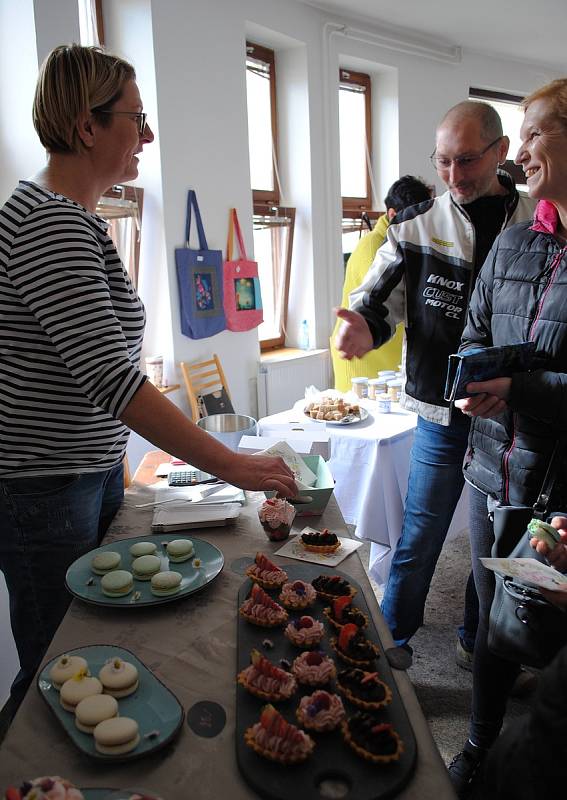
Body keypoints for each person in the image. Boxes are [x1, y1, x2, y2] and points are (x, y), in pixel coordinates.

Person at [0, 45, 297, 714]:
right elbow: (111, 377)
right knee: (60, 670)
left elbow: (97, 369)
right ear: (86, 126)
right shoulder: (50, 225)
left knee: (89, 659)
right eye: (136, 118)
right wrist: (233, 466)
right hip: (44, 484)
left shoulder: (70, 218)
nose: (148, 134)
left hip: (75, 472)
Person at [335, 101, 534, 667]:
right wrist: (363, 329)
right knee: (418, 538)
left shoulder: (536, 222)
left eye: (467, 160)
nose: (455, 175)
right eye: (443, 162)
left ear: (500, 152)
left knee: (492, 545)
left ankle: (478, 642)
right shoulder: (416, 224)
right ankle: (389, 644)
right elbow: (377, 303)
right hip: (440, 416)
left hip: (511, 416)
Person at [448, 78, 567, 798]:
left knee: (548, 629)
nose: (519, 151)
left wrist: (519, 389)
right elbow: (472, 333)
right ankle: (474, 746)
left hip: (560, 486)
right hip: (491, 469)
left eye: (534, 132)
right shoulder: (514, 241)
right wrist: (474, 385)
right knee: (492, 623)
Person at [330, 176, 432, 392]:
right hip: (362, 356)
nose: (421, 225)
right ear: (393, 214)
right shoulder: (373, 245)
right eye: (414, 217)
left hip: (387, 357)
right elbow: (390, 296)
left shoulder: (408, 243)